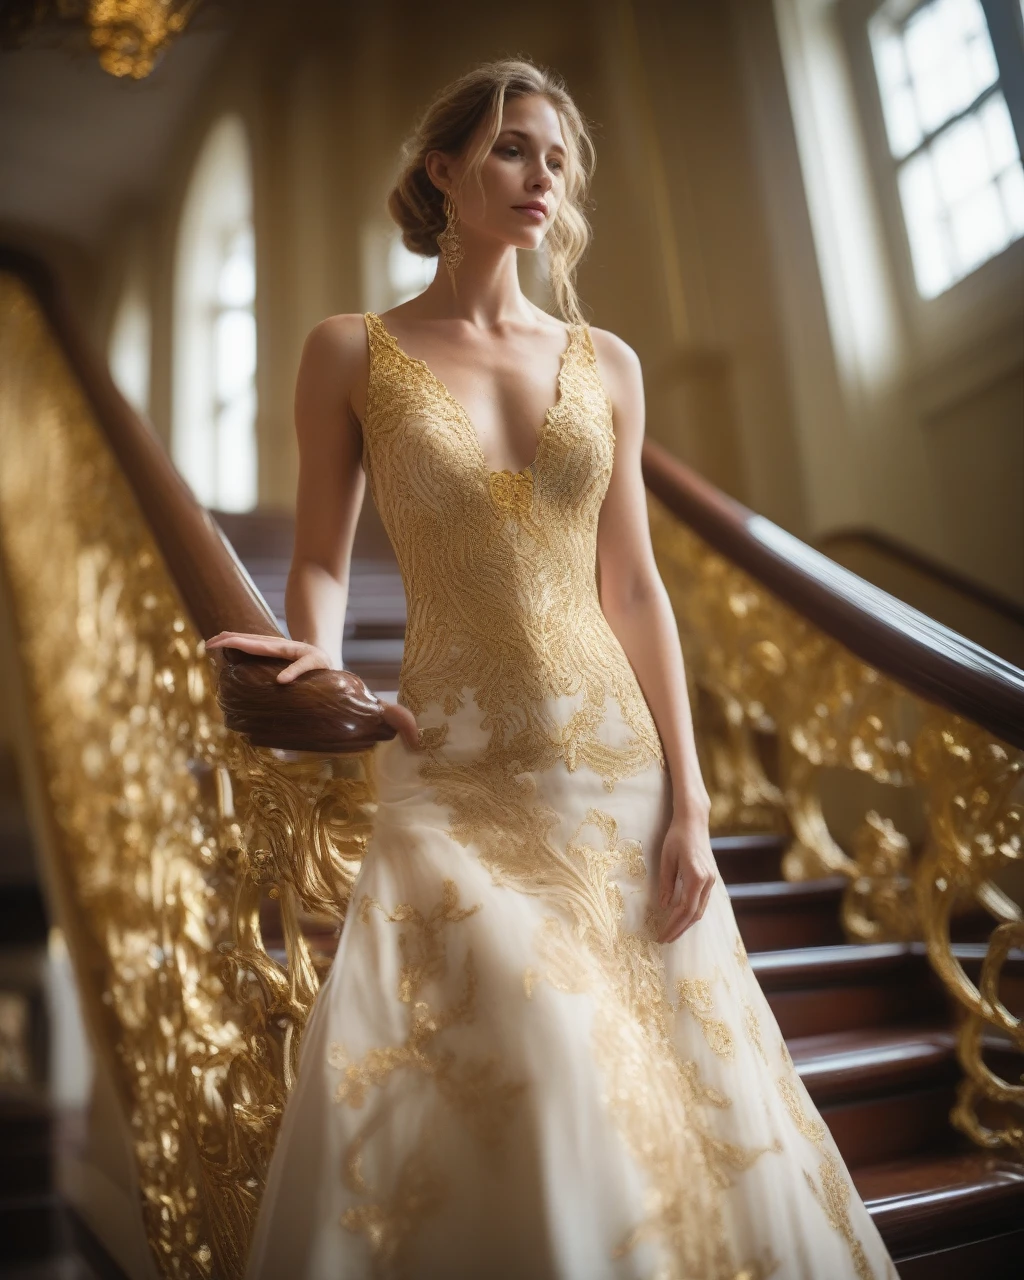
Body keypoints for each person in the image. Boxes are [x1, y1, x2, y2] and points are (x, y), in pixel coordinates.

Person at [208, 56, 897, 1280]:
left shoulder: (607, 362)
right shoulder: (348, 352)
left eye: (558, 157)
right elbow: (320, 560)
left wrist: (689, 796)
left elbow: (632, 586)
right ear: (443, 165)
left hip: (616, 775)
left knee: (667, 1086)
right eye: (514, 148)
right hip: (451, 768)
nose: (543, 177)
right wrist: (311, 668)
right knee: (534, 1054)